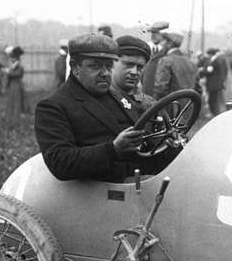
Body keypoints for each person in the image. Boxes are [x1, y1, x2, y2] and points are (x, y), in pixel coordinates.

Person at [35, 33, 179, 182]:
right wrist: (113, 149)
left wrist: (170, 147)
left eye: (108, 66)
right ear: (75, 67)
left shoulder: (118, 97)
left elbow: (142, 152)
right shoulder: (53, 106)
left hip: (135, 185)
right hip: (96, 195)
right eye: (95, 66)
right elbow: (60, 163)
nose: (104, 73)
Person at [152, 30, 198, 99]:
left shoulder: (165, 61)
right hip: (189, 106)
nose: (161, 44)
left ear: (170, 43)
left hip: (172, 106)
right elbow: (198, 89)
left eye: (163, 41)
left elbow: (160, 90)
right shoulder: (191, 62)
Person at [141, 20, 170, 96]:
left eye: (156, 33)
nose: (152, 36)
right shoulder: (148, 49)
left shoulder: (167, 53)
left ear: (165, 35)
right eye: (152, 33)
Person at [201, 47, 229, 116]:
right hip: (216, 84)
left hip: (213, 85)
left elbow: (209, 71)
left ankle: (214, 113)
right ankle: (215, 113)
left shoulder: (213, 61)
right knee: (214, 100)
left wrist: (201, 71)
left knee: (212, 100)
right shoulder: (215, 60)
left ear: (210, 54)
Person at [4, 45, 28, 115]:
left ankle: (17, 112)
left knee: (17, 98)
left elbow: (18, 74)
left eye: (12, 58)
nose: (11, 59)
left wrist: (9, 72)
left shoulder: (19, 65)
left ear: (16, 58)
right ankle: (12, 111)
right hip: (12, 84)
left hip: (16, 84)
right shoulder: (13, 65)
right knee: (12, 98)